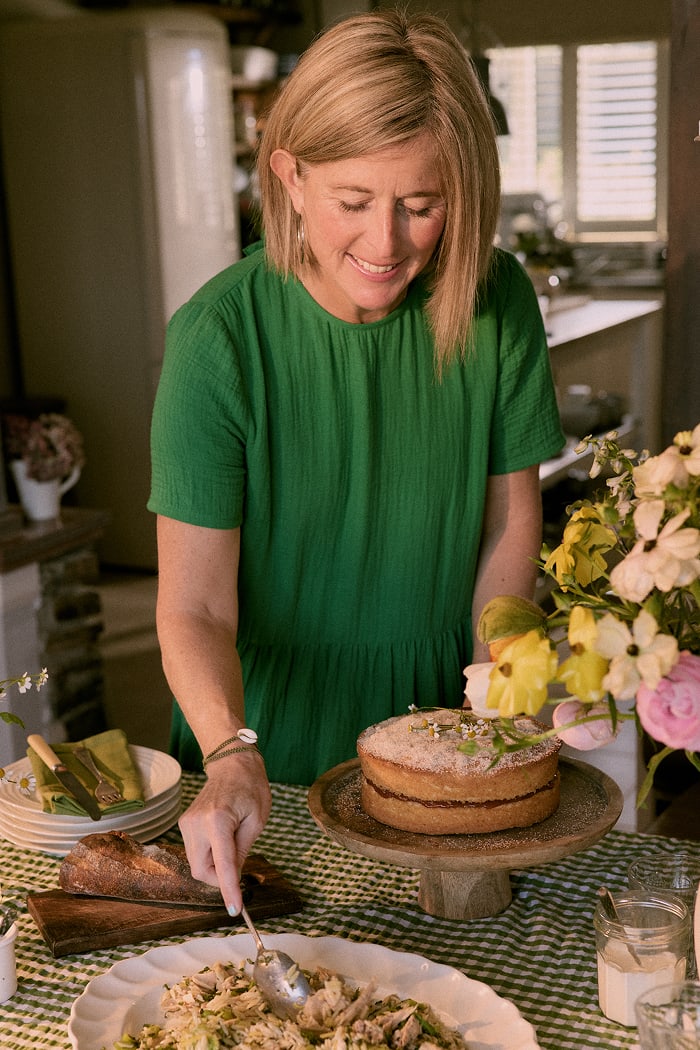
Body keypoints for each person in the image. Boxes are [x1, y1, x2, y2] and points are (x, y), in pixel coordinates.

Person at [148, 8, 566, 915]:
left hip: (444, 731)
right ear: (291, 178)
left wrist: (500, 693)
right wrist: (228, 753)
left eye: (422, 205)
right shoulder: (219, 339)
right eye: (353, 203)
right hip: (265, 741)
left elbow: (508, 521)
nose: (387, 246)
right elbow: (193, 604)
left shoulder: (497, 305)